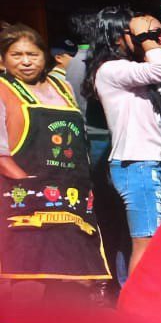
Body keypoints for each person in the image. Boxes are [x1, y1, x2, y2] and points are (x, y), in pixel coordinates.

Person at [0, 24, 112, 291]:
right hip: (25, 197)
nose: (26, 61)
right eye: (17, 55)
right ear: (3, 59)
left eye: (33, 54)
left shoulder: (62, 87)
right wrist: (28, 184)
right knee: (29, 276)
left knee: (74, 275)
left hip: (72, 195)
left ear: (44, 56)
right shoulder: (3, 89)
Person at [88, 7, 161, 277]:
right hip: (137, 163)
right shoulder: (112, 69)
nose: (152, 38)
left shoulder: (128, 70)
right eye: (140, 33)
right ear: (118, 37)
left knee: (137, 240)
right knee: (146, 242)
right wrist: (144, 35)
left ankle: (131, 296)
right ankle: (136, 309)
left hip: (142, 162)